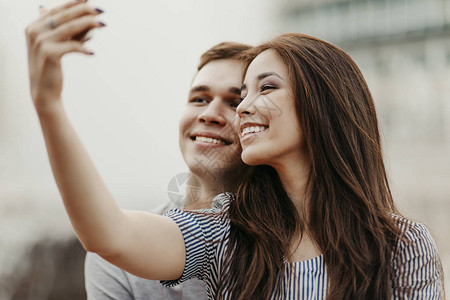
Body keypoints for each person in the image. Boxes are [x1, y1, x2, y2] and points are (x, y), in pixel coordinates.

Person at [26, 2, 444, 299]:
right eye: (242, 94)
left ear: (321, 103)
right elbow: (110, 236)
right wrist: (49, 105)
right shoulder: (227, 235)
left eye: (264, 88)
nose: (240, 109)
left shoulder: (401, 245)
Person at [84, 41, 253, 299]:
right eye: (199, 98)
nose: (209, 114)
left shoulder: (297, 244)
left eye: (234, 103)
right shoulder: (116, 255)